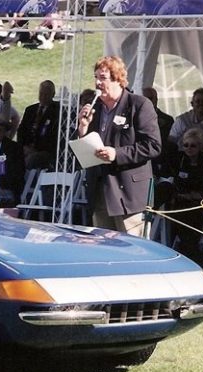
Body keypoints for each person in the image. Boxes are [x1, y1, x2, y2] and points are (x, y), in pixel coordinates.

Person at [75, 56, 161, 237]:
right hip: (100, 192)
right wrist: (82, 129)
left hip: (128, 195)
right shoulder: (94, 107)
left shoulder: (139, 105)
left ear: (118, 79)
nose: (97, 83)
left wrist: (117, 154)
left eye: (103, 78)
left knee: (133, 251)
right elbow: (83, 151)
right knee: (103, 250)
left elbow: (153, 145)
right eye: (96, 77)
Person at [165, 128, 203, 263]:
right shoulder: (179, 159)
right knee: (176, 211)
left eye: (193, 145)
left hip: (202, 199)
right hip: (182, 199)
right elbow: (173, 179)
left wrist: (198, 195)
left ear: (201, 146)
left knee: (188, 214)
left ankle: (190, 253)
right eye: (186, 145)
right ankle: (182, 251)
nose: (189, 148)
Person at [16, 79, 60, 170]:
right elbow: (21, 130)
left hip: (44, 151)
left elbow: (53, 136)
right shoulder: (30, 110)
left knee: (31, 160)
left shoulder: (57, 111)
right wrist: (23, 147)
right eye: (41, 94)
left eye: (46, 94)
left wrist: (35, 149)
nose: (43, 97)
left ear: (53, 94)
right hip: (26, 147)